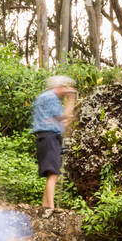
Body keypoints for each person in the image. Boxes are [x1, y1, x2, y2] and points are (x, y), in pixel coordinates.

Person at [31, 75, 77, 209]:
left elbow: (57, 120)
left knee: (51, 173)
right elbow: (65, 115)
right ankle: (51, 208)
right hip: (49, 137)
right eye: (65, 86)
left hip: (46, 137)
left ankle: (45, 206)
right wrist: (71, 101)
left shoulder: (44, 97)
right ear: (59, 86)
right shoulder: (51, 97)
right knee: (53, 174)